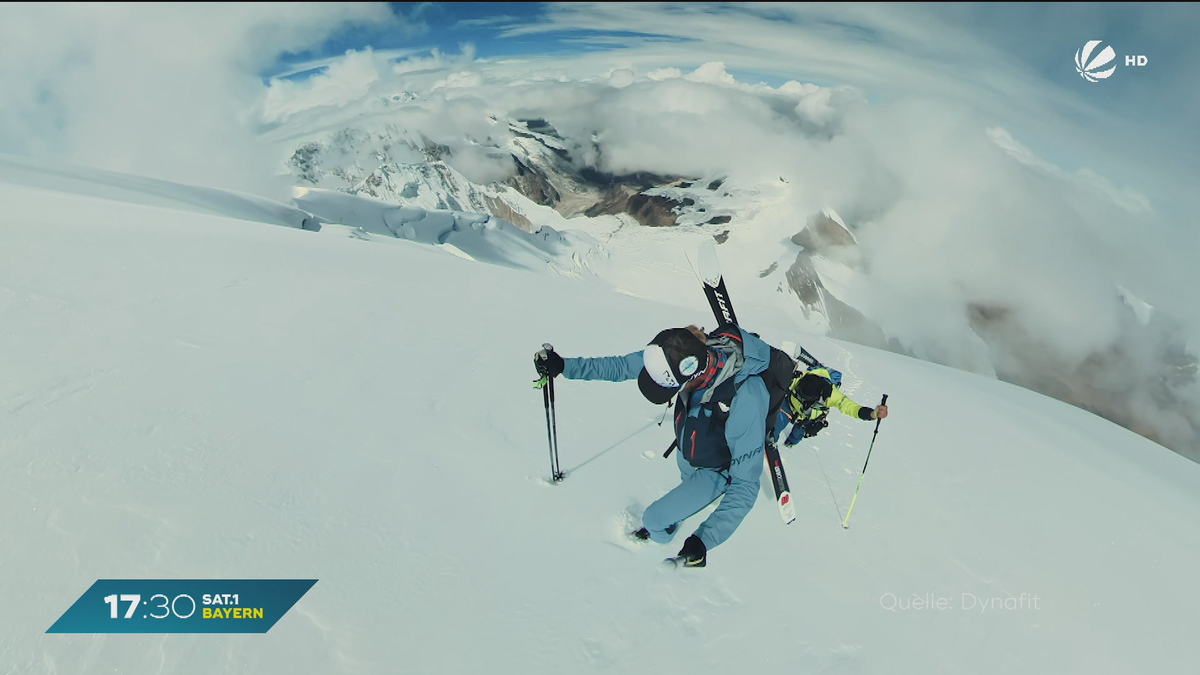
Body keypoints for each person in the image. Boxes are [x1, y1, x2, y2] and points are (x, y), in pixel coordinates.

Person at [534, 324, 774, 568]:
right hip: (690, 450)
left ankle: (663, 530)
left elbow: (745, 485)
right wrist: (564, 366)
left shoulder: (747, 398)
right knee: (683, 486)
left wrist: (704, 540)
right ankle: (677, 512)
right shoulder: (680, 351)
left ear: (693, 376)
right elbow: (621, 366)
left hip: (717, 471)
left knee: (654, 519)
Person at [775, 366, 888, 447]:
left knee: (800, 430)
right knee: (776, 422)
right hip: (790, 405)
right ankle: (769, 439)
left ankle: (791, 442)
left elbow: (851, 407)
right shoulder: (798, 378)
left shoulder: (832, 395)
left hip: (811, 416)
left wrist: (873, 414)